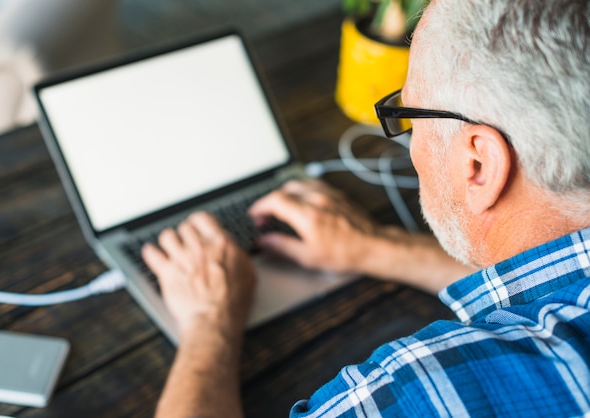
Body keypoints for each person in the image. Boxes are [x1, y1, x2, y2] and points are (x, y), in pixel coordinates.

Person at [142, 0, 590, 416]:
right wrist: (375, 247)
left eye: (412, 114)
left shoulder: (422, 391)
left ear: (479, 165)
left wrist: (207, 327)